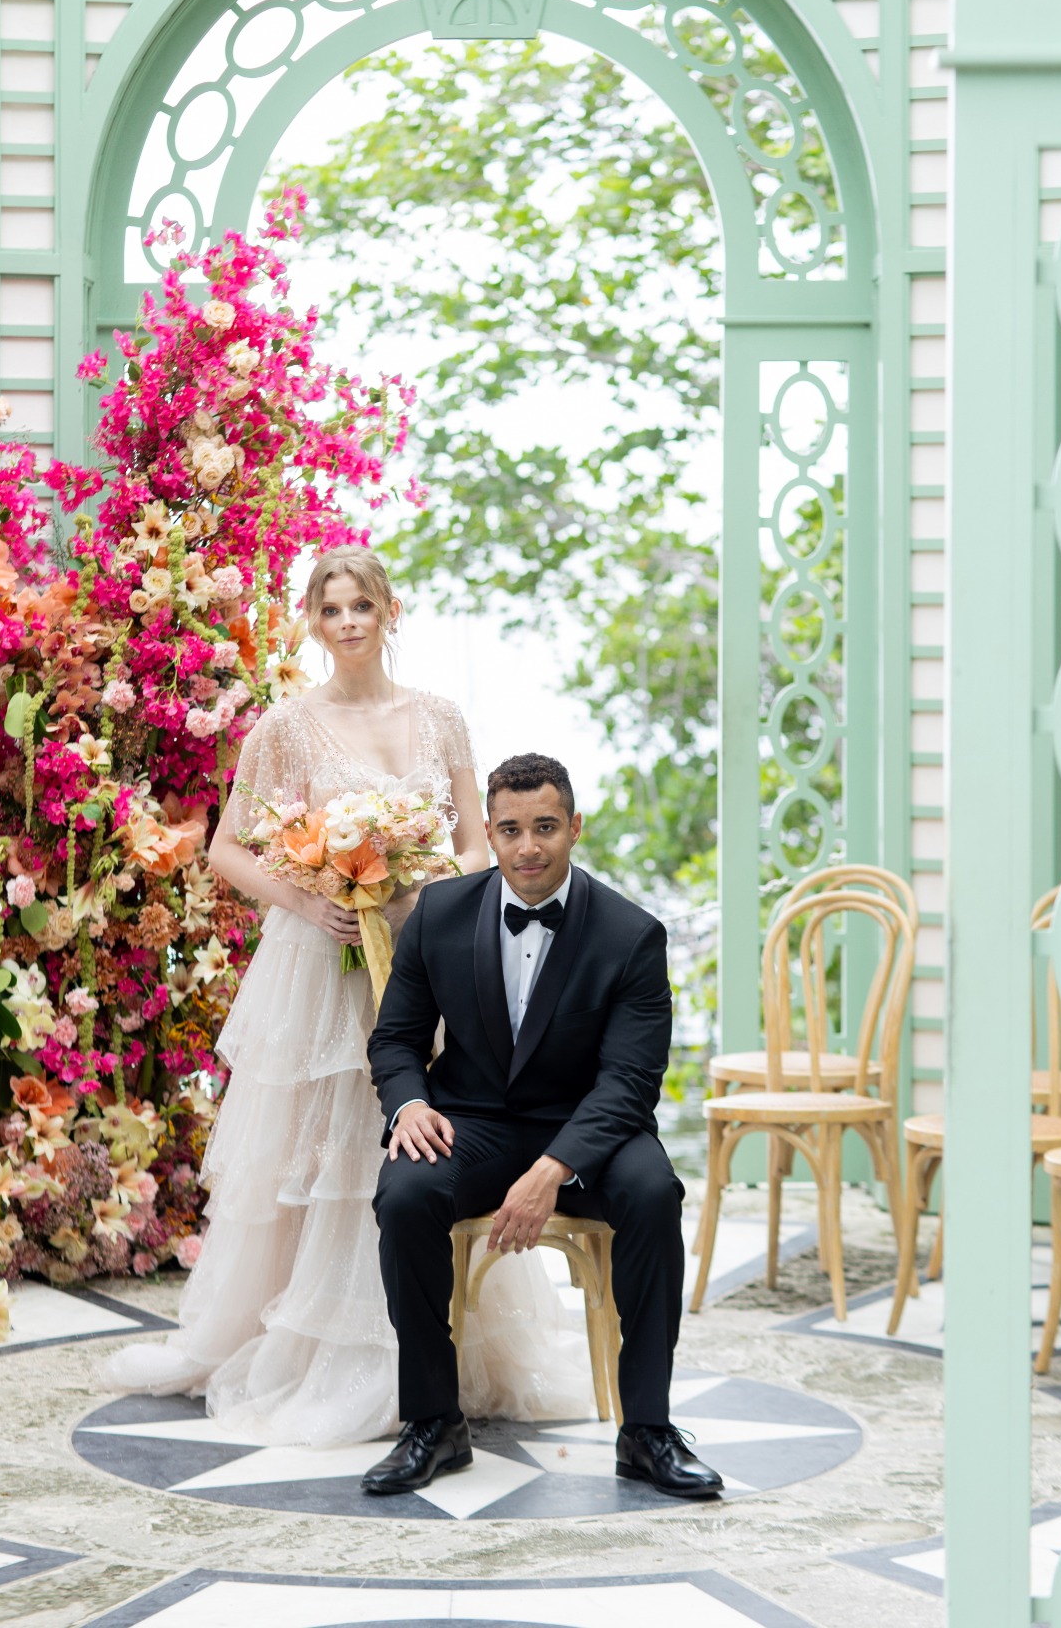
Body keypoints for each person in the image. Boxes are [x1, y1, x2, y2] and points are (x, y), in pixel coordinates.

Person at [102, 551, 592, 1444]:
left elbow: (478, 843)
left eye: (362, 604)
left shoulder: (440, 718)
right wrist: (311, 897)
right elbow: (227, 848)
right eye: (330, 610)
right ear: (313, 623)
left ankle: (442, 1343)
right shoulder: (285, 728)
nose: (349, 622)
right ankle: (327, 1351)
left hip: (427, 959)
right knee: (333, 1156)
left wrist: (444, 907)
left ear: (390, 610)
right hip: (323, 963)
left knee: (429, 1135)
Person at [362, 752, 724, 1500]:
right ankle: (434, 1422)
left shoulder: (632, 935)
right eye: (512, 830)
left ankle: (648, 1431)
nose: (529, 847)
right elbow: (395, 1039)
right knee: (404, 1195)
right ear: (490, 834)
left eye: (547, 828)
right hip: (471, 1122)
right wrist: (411, 1104)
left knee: (654, 1193)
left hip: (591, 1125)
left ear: (575, 829)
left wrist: (553, 1170)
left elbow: (629, 1083)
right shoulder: (438, 913)